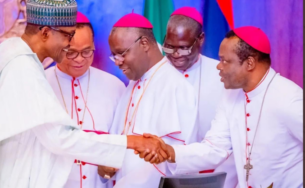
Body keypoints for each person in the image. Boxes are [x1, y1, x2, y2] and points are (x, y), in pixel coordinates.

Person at [0, 1, 169, 187]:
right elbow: (60, 138)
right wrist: (132, 142)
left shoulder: (10, 51)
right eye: (68, 36)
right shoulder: (22, 67)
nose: (70, 44)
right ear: (45, 33)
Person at [143, 26, 303, 188]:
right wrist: (169, 151)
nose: (218, 67)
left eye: (225, 61)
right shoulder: (232, 95)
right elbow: (215, 147)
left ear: (249, 63)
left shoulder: (289, 98)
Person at [98, 12, 198, 188]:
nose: (117, 62)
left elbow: (180, 160)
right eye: (114, 56)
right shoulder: (133, 83)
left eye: (121, 53)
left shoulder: (176, 86)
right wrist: (105, 169)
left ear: (144, 43)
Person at [44, 11, 126, 188]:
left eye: (87, 51)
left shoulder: (115, 86)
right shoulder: (40, 85)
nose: (80, 59)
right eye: (71, 52)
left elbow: (121, 144)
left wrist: (110, 166)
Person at [163, 7, 237, 187]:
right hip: (163, 172)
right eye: (170, 47)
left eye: (183, 48)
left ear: (200, 40)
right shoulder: (154, 74)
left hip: (215, 174)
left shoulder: (222, 75)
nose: (176, 55)